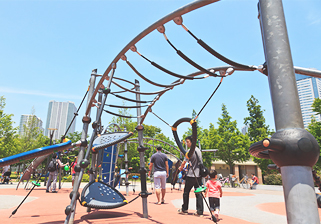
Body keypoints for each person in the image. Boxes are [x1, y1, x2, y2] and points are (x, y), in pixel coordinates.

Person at [177, 136, 204, 217]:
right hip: (198, 175)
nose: (186, 143)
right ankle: (200, 211)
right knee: (198, 192)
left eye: (188, 141)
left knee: (186, 192)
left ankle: (184, 209)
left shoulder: (190, 151)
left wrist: (181, 168)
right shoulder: (198, 150)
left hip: (191, 175)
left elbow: (184, 162)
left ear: (192, 142)